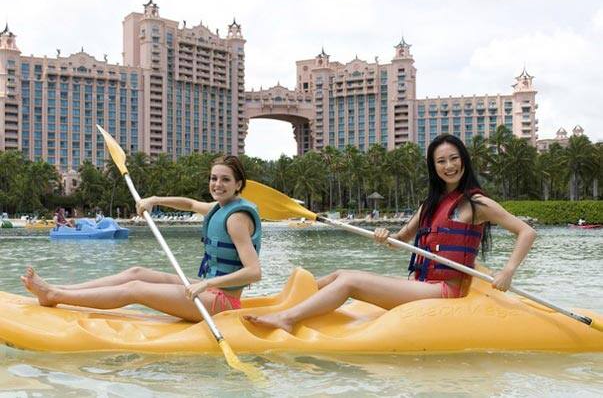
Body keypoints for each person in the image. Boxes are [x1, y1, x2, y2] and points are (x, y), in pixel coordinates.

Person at [245, 134, 536, 333]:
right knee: (337, 274)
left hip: (445, 291)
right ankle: (281, 302)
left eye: (454, 158)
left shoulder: (477, 203)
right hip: (421, 283)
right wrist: (386, 236)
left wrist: (508, 271)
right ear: (433, 167)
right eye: (441, 161)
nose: (449, 166)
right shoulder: (431, 204)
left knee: (350, 280)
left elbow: (526, 232)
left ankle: (286, 318)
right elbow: (401, 241)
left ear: (464, 160)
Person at [21, 156, 262, 322]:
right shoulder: (219, 207)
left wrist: (205, 284)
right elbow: (189, 203)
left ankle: (54, 296)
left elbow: (254, 272)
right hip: (211, 291)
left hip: (223, 303)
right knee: (136, 272)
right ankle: (61, 289)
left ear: (238, 184)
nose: (217, 184)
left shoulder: (236, 219)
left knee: (135, 289)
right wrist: (154, 199)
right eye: (213, 178)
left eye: (225, 179)